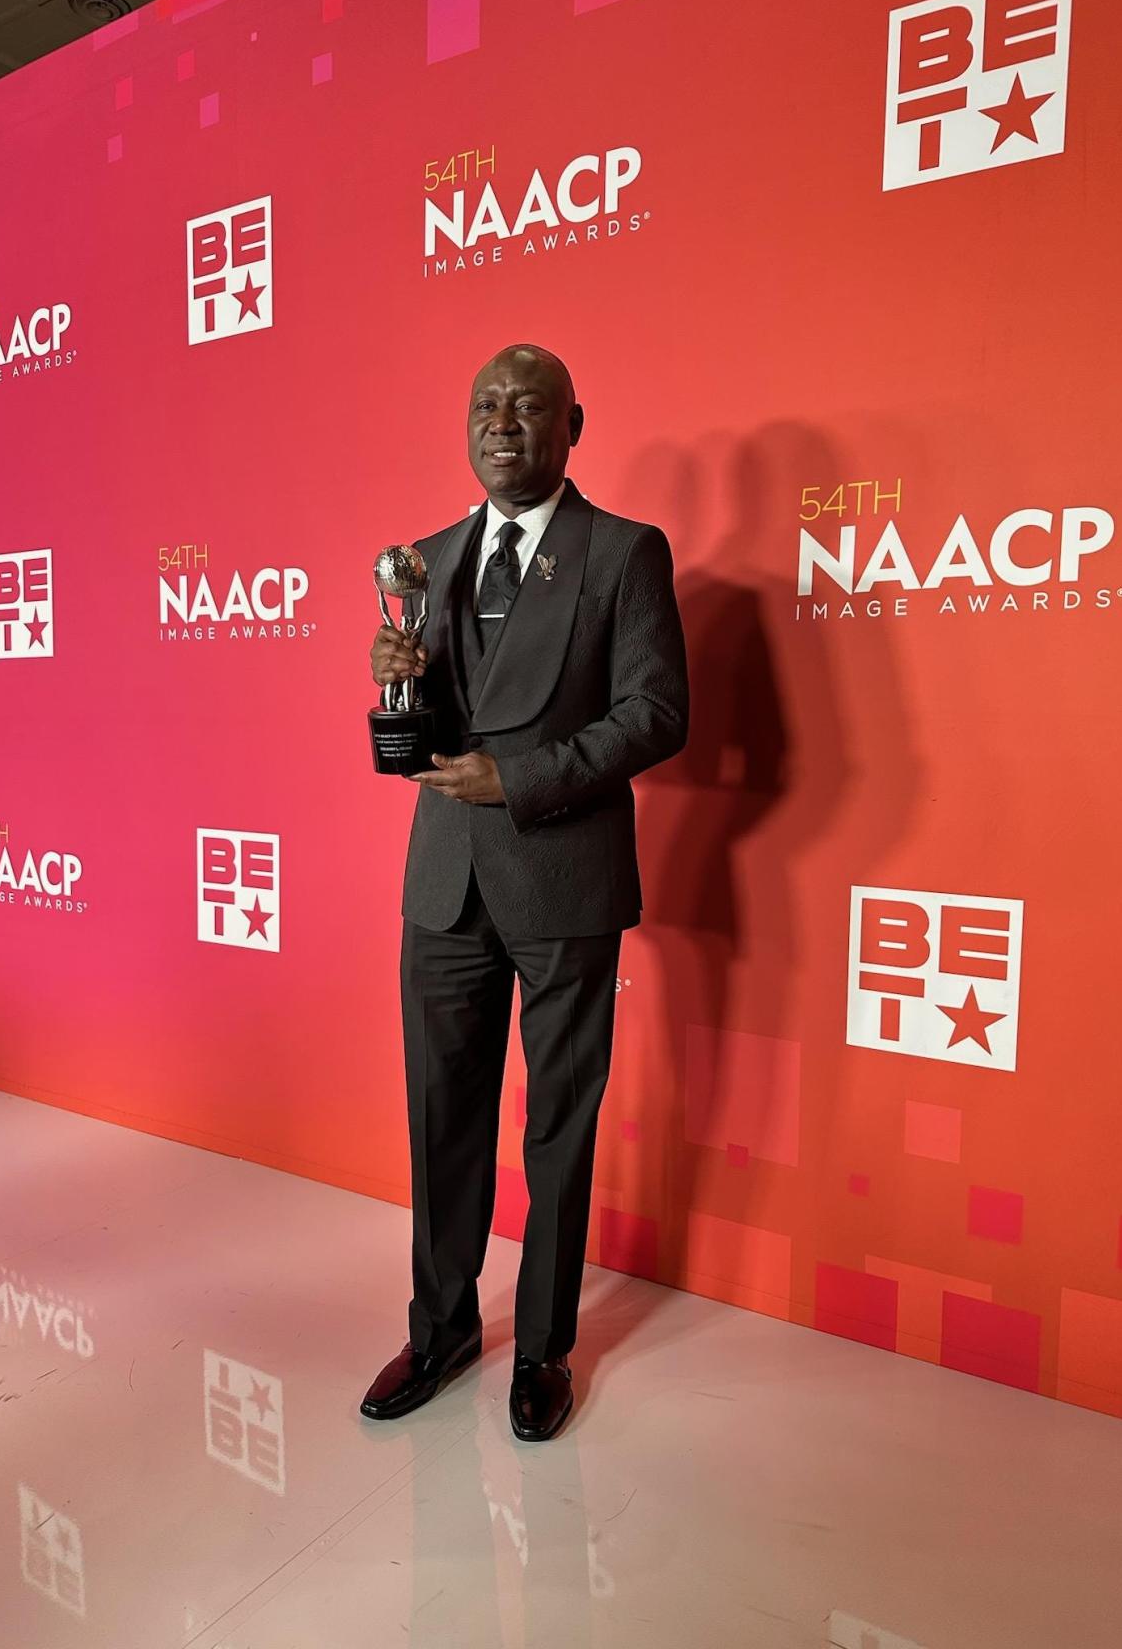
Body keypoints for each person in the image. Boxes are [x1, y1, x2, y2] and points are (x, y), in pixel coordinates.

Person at [359, 344, 688, 1440]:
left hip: (563, 877)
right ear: (467, 426)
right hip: (445, 880)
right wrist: (393, 686)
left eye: (530, 406)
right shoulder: (431, 556)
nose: (506, 422)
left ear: (573, 425)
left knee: (558, 1125)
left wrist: (526, 779)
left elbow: (655, 713)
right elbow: (435, 726)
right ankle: (441, 1325)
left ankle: (541, 1345)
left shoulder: (624, 553)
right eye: (488, 405)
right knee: (440, 1115)